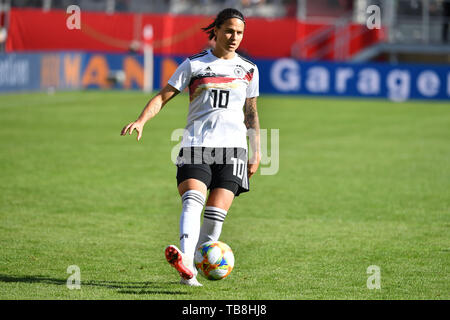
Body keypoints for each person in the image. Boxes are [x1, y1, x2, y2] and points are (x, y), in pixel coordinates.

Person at [120, 8, 260, 286]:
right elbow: (162, 97)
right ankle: (185, 258)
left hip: (233, 149)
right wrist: (141, 120)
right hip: (196, 145)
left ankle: (192, 268)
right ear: (216, 30)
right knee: (192, 201)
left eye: (240, 32)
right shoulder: (194, 65)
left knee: (216, 215)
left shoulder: (249, 70)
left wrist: (257, 151)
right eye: (229, 31)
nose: (234, 37)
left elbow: (251, 113)